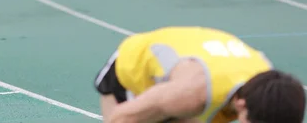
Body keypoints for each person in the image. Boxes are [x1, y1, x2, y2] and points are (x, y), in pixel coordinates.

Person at [94, 26, 305, 123]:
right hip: (130, 75)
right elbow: (120, 118)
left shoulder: (270, 90)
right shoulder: (190, 94)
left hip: (196, 59)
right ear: (241, 105)